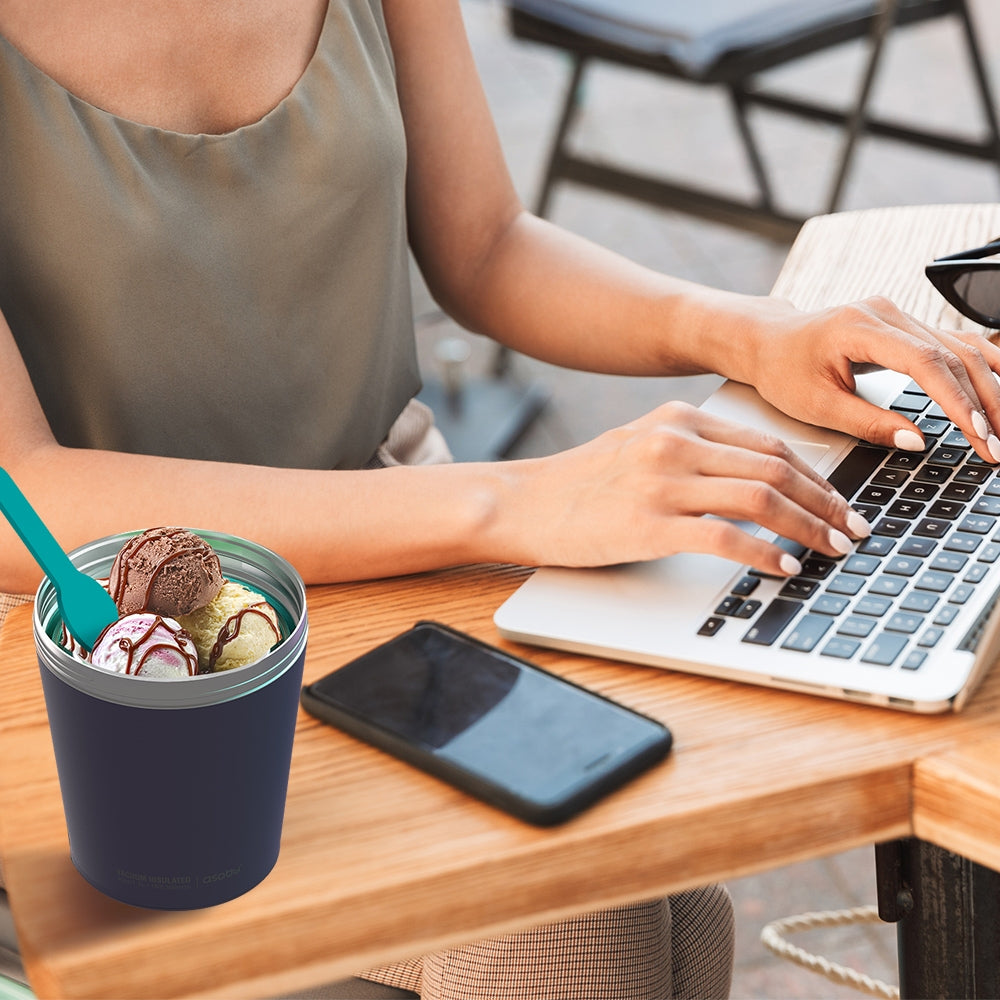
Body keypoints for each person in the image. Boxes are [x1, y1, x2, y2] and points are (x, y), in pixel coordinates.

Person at [1, 1, 999, 998]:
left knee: (663, 887)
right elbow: (20, 494)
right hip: (108, 665)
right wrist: (517, 501)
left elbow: (483, 242)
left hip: (395, 565)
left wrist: (748, 332)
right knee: (564, 915)